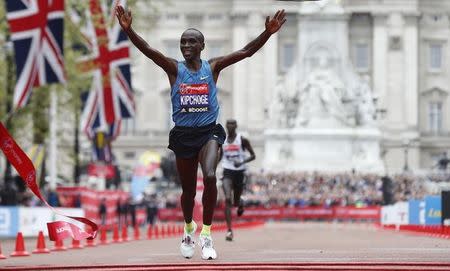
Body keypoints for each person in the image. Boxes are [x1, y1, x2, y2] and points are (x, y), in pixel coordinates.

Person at [116, 5, 285, 260]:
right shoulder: (174, 69)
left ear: (202, 46)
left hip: (208, 133)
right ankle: (188, 229)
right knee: (188, 192)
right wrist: (129, 31)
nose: (186, 45)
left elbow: (246, 52)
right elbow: (149, 51)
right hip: (183, 134)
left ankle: (206, 233)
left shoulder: (213, 67)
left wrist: (267, 34)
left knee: (209, 177)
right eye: (183, 42)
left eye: (192, 42)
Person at [219, 119, 255, 241]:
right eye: (228, 124)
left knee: (235, 202)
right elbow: (219, 157)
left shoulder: (242, 140)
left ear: (236, 126)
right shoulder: (222, 140)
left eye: (232, 124)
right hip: (227, 172)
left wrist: (242, 162)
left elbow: (253, 155)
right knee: (228, 199)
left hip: (239, 173)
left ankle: (240, 204)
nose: (230, 126)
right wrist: (211, 169)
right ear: (226, 126)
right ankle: (229, 230)